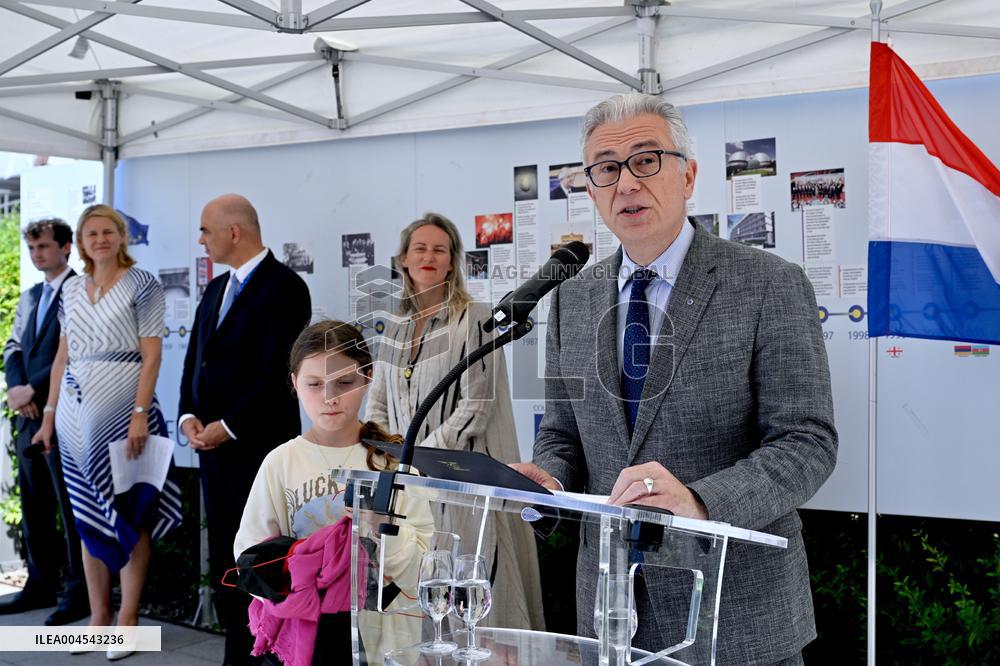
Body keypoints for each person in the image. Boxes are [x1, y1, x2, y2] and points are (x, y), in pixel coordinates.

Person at [513, 93, 838, 664]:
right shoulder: (571, 301)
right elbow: (563, 436)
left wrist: (699, 501)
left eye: (646, 160)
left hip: (735, 616)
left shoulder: (768, 284)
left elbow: (807, 443)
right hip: (610, 614)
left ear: (688, 175)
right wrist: (549, 481)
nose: (626, 183)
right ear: (591, 189)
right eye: (607, 169)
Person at [365, 213, 545, 631]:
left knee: (472, 606)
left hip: (459, 487)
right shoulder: (393, 326)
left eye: (439, 249)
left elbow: (475, 410)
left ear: (452, 262)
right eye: (420, 248)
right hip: (406, 489)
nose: (429, 256)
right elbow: (376, 404)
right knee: (418, 609)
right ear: (403, 261)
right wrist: (385, 452)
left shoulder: (476, 318)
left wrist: (416, 460)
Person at [234, 320, 434, 664]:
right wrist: (301, 576)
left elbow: (425, 571)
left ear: (368, 378)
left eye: (345, 382)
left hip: (381, 641)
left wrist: (382, 528)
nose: (330, 398)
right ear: (295, 384)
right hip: (303, 637)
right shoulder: (281, 462)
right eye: (314, 384)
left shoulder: (395, 464)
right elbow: (250, 559)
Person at [32, 205, 182, 657]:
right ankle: (98, 617)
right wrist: (49, 415)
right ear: (81, 241)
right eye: (91, 232)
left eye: (108, 231)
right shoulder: (72, 289)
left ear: (121, 237)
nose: (100, 239)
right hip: (76, 417)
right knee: (86, 518)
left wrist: (140, 412)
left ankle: (128, 617)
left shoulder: (144, 283)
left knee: (129, 514)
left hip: (125, 410)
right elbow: (62, 356)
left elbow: (153, 356)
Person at [179, 194, 311, 666]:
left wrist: (228, 426)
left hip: (257, 453)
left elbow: (279, 374)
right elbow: (197, 359)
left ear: (233, 232)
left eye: (205, 230)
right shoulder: (215, 289)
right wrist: (187, 416)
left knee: (261, 560)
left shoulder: (286, 287)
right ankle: (237, 653)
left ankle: (266, 655)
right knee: (226, 562)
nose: (201, 239)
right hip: (213, 453)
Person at [0, 219, 88, 625]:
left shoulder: (81, 290)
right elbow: (13, 346)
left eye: (45, 247)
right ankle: (39, 585)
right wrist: (18, 391)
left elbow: (73, 352)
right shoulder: (32, 295)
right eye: (33, 248)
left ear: (67, 247)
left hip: (64, 414)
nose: (38, 255)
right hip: (28, 418)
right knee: (34, 505)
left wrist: (33, 392)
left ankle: (79, 593)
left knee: (70, 509)